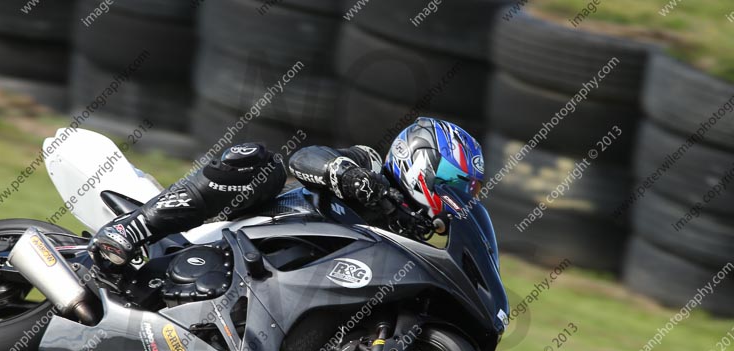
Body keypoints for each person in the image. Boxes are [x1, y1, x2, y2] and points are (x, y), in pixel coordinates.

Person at [89, 117, 487, 267]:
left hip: (286, 282)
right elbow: (305, 158)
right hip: (246, 231)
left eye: (465, 189)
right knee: (262, 163)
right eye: (452, 181)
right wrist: (349, 177)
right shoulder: (369, 165)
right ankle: (133, 228)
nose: (457, 195)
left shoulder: (417, 236)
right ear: (420, 160)